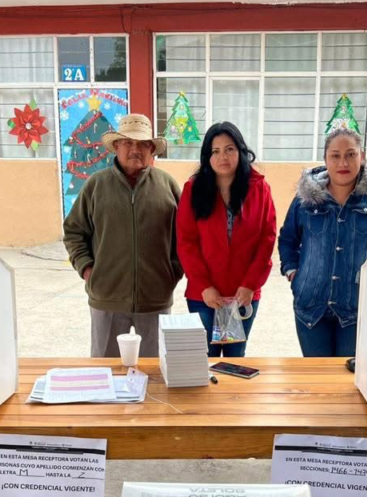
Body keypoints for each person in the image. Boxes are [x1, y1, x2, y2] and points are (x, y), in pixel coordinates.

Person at [278, 127, 367, 358]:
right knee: (319, 376)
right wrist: (293, 271)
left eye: (350, 154)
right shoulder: (305, 200)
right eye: (335, 155)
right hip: (311, 306)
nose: (343, 163)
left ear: (362, 156)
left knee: (349, 375)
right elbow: (288, 239)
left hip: (357, 307)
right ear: (325, 158)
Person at [63, 113, 183, 358]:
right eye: (128, 142)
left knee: (155, 371)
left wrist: (173, 272)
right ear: (116, 146)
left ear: (152, 150)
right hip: (106, 297)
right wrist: (88, 270)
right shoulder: (96, 185)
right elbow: (74, 231)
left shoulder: (168, 186)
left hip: (155, 299)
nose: (135, 149)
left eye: (142, 144)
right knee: (105, 369)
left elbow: (185, 236)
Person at [176, 122, 277, 358]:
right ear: (207, 157)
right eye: (216, 151)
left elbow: (267, 239)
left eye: (229, 149)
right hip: (204, 296)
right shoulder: (193, 189)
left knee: (234, 359)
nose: (223, 157)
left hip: (243, 295)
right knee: (205, 359)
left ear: (240, 151)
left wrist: (251, 284)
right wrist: (204, 286)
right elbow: (186, 242)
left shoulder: (259, 188)